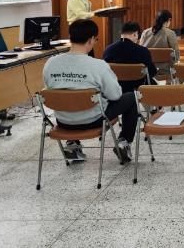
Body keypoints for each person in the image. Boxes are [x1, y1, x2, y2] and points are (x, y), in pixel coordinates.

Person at [43, 19, 138, 162]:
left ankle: (73, 145)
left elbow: (51, 90)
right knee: (130, 97)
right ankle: (123, 142)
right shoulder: (98, 65)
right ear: (91, 39)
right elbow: (115, 95)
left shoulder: (50, 63)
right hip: (93, 120)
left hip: (63, 121)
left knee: (69, 101)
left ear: (71, 37)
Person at [103, 21, 157, 93]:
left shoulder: (108, 50)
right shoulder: (143, 51)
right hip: (137, 91)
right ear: (135, 34)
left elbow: (104, 73)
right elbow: (152, 72)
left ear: (121, 33)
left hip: (114, 91)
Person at [139, 10, 180, 75]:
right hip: (166, 69)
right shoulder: (170, 33)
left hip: (148, 69)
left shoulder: (145, 32)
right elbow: (176, 53)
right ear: (169, 20)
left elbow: (140, 50)